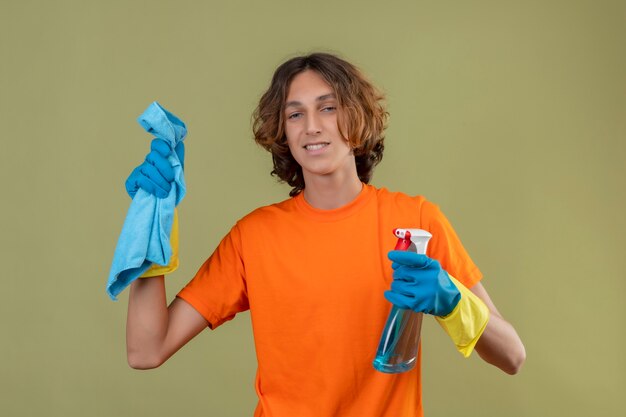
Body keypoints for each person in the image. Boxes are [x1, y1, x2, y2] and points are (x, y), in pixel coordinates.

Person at [124, 52, 525, 417]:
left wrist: (453, 302)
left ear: (358, 117)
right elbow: (146, 349)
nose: (312, 127)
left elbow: (512, 355)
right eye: (295, 114)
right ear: (282, 131)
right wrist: (152, 221)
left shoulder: (417, 221)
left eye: (328, 108)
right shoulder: (255, 236)